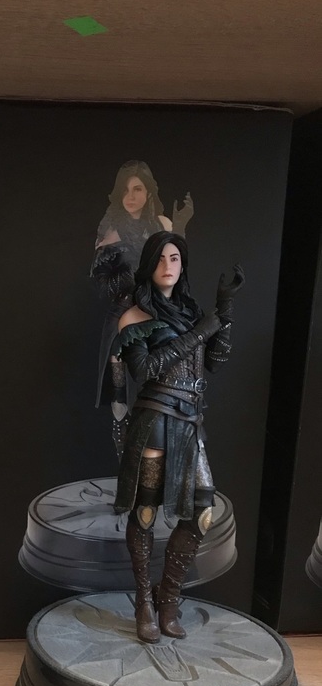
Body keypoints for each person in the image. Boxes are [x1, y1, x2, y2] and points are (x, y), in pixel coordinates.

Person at [113, 231, 244, 643]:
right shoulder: (134, 316)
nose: (168, 266)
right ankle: (143, 603)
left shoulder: (191, 312)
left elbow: (216, 361)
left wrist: (224, 308)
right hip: (154, 420)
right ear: (149, 265)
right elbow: (144, 371)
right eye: (160, 258)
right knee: (146, 511)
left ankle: (167, 599)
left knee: (202, 512)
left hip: (190, 421)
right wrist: (201, 331)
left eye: (175, 258)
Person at [91, 161, 195, 458]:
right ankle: (126, 465)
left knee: (159, 395)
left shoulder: (162, 224)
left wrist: (181, 227)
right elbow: (102, 286)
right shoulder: (111, 231)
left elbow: (176, 265)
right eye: (125, 190)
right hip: (124, 320)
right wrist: (127, 274)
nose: (131, 196)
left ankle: (150, 467)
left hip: (160, 318)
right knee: (120, 398)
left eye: (137, 189)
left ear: (149, 192)